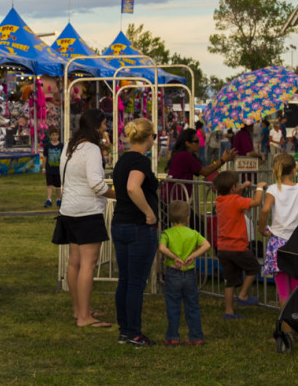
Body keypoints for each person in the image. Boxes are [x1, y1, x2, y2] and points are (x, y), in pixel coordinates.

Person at [55, 108, 116, 328]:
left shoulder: (70, 146)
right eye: (104, 124)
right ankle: (84, 317)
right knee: (88, 265)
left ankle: (78, 310)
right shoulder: (90, 149)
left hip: (69, 209)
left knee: (75, 262)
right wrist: (118, 194)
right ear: (96, 126)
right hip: (87, 210)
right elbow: (97, 184)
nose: (106, 128)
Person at [112, 118, 160, 346]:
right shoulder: (141, 161)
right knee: (135, 283)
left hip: (120, 223)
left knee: (126, 279)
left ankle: (125, 329)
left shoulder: (122, 160)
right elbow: (133, 187)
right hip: (138, 227)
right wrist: (149, 213)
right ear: (149, 137)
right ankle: (133, 332)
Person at [259, 154, 298, 307]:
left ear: (274, 170)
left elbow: (266, 209)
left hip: (278, 242)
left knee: (283, 291)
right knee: (297, 287)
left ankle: (287, 328)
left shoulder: (273, 189)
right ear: (295, 169)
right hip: (296, 243)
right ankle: (297, 323)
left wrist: (261, 228)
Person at [213, 170, 265, 320]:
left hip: (223, 248)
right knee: (253, 267)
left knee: (230, 281)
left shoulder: (220, 201)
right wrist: (259, 187)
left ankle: (228, 312)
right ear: (234, 187)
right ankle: (243, 295)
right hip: (238, 247)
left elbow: (231, 194)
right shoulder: (236, 201)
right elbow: (256, 202)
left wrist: (241, 187)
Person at [158, 200, 210, 346]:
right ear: (188, 218)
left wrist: (173, 257)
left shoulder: (167, 233)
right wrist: (193, 255)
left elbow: (161, 248)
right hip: (190, 273)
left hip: (173, 272)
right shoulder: (193, 233)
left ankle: (173, 337)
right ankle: (196, 337)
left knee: (173, 306)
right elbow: (207, 245)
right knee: (192, 306)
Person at [164, 129, 236, 227]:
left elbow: (205, 169)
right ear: (187, 143)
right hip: (174, 202)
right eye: (196, 141)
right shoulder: (185, 156)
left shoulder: (186, 156)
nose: (199, 143)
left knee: (197, 227)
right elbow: (205, 172)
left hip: (175, 201)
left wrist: (220, 160)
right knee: (199, 227)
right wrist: (222, 160)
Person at [43, 127, 63, 208]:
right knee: (49, 184)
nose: (55, 136)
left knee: (58, 185)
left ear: (58, 136)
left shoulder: (61, 146)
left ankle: (58, 199)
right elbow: (45, 157)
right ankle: (49, 199)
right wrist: (44, 168)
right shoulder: (47, 146)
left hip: (58, 169)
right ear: (50, 136)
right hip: (49, 169)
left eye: (56, 135)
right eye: (53, 135)